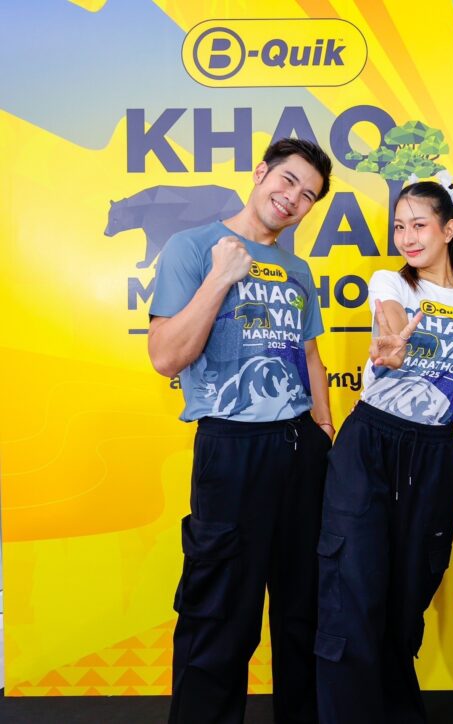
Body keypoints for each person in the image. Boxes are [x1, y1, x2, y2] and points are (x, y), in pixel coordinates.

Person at [148, 138, 335, 724]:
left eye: (308, 195)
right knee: (219, 615)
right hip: (231, 449)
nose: (293, 198)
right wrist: (221, 277)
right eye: (287, 181)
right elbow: (165, 356)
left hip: (300, 449)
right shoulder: (193, 247)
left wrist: (325, 432)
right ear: (260, 173)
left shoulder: (299, 269)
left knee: (304, 611)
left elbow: (310, 356)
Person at [315, 174, 453, 724]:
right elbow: (391, 322)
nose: (408, 237)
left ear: (449, 229)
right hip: (370, 443)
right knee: (352, 589)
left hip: (434, 454)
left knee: (408, 595)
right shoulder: (391, 283)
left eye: (419, 225)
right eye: (400, 226)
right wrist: (393, 344)